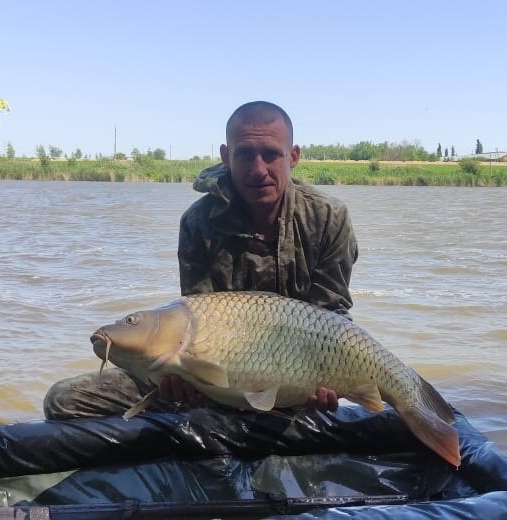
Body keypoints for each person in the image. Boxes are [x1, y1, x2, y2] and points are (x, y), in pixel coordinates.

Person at [42, 101, 358, 420]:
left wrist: (320, 387)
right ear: (225, 155)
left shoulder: (327, 218)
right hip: (213, 378)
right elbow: (197, 316)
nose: (258, 169)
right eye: (245, 154)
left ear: (293, 156)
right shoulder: (199, 222)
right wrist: (179, 381)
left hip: (295, 377)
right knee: (64, 400)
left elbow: (332, 317)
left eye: (271, 154)